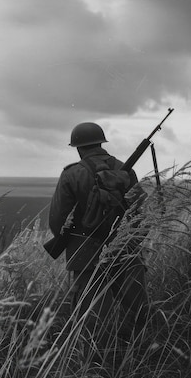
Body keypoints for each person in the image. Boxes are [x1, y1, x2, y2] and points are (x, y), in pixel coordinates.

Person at [48, 122, 148, 342]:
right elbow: (142, 212)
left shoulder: (71, 174)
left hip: (85, 254)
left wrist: (71, 236)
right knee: (136, 313)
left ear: (77, 148)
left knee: (91, 319)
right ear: (101, 143)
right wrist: (131, 240)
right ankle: (132, 358)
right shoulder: (126, 169)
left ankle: (93, 365)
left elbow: (56, 221)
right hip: (125, 250)